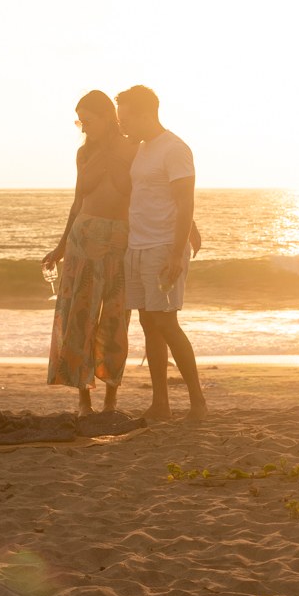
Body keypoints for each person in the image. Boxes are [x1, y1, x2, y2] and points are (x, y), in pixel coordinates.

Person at [114, 84, 207, 423]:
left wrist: (176, 252)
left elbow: (184, 201)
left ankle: (198, 402)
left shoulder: (175, 149)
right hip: (138, 245)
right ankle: (160, 405)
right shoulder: (141, 149)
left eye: (126, 119)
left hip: (163, 246)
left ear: (145, 114)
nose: (122, 125)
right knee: (148, 324)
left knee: (166, 323)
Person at [43, 91, 135, 414]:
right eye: (79, 122)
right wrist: (60, 247)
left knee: (116, 320)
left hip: (120, 241)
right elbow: (77, 203)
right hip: (82, 241)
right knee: (79, 318)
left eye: (88, 121)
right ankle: (84, 400)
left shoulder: (132, 149)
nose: (83, 128)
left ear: (108, 117)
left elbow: (151, 192)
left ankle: (111, 399)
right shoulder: (84, 154)